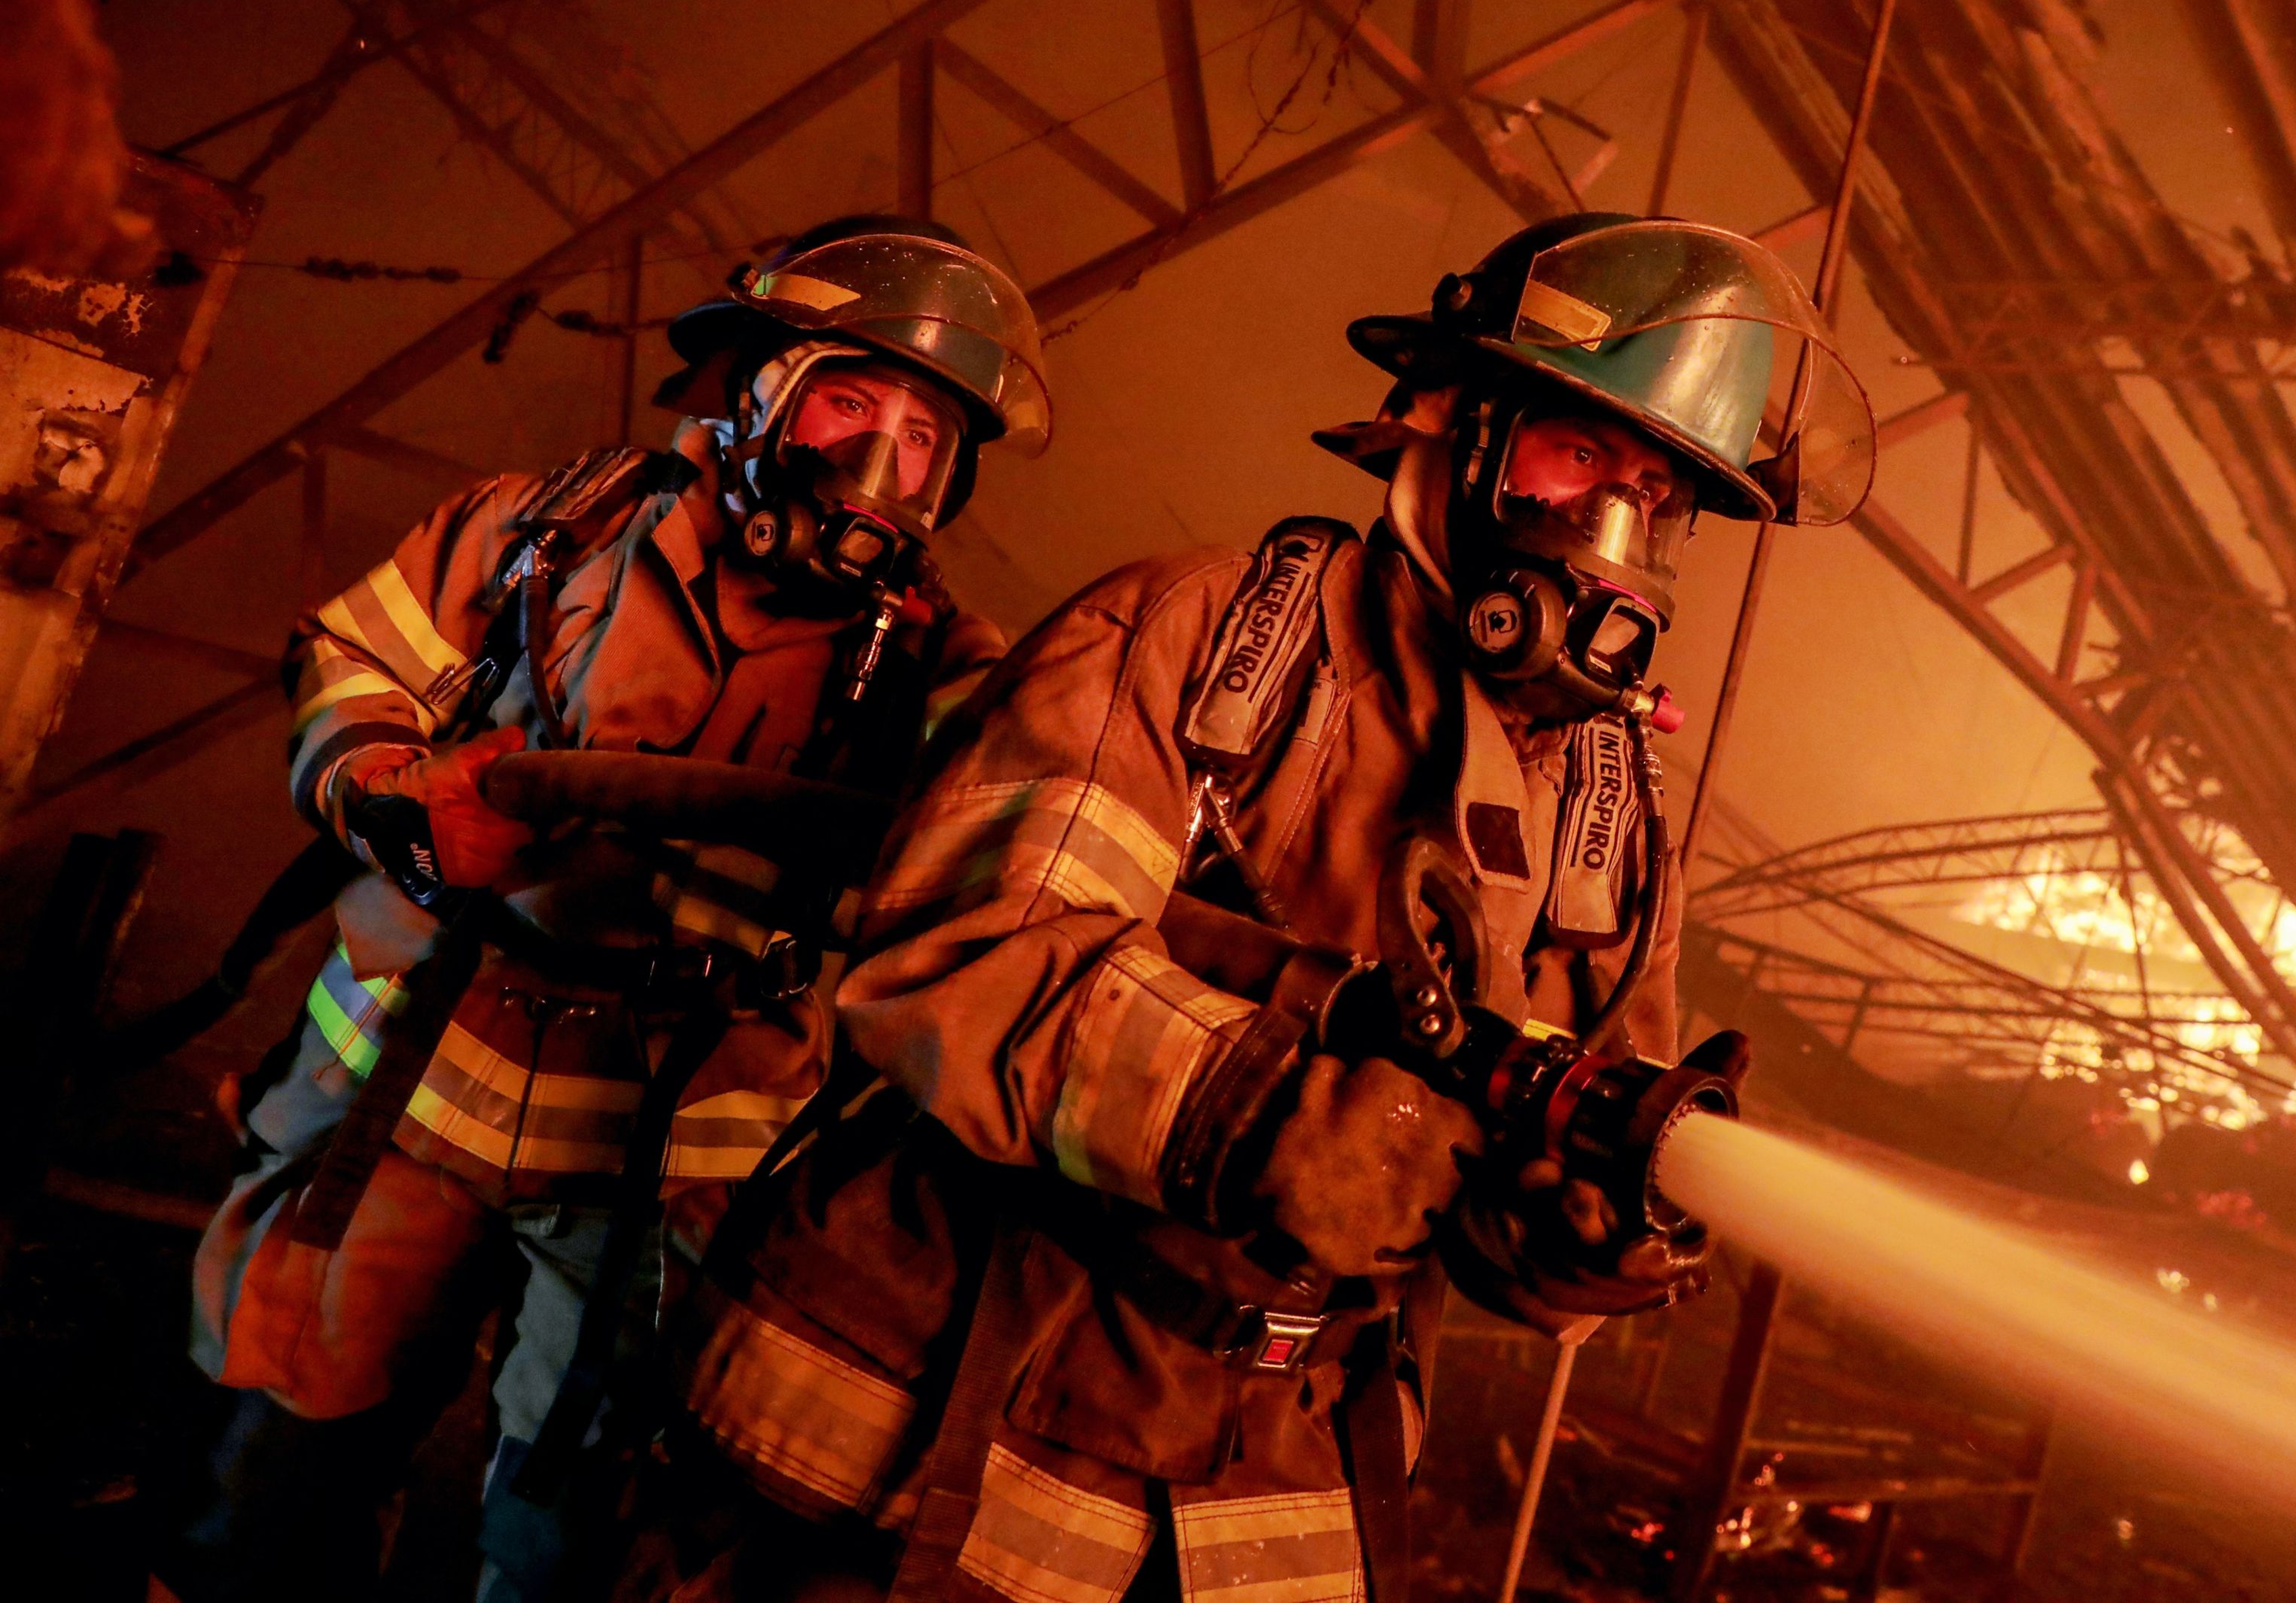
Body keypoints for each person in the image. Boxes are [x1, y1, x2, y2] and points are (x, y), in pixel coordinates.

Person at [636, 213, 1874, 1603]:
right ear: (1460, 433)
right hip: (906, 1431)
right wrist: (1265, 1113)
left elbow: (1528, 1174)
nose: (1612, 529)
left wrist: (1601, 1218)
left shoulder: (1611, 811)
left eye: (1657, 493)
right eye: (1580, 453)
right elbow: (968, 963)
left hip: (1262, 1493)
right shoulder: (1201, 639)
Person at [166, 219, 1051, 1603]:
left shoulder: (949, 668)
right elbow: (354, 661)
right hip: (420, 1059)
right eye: (850, 401)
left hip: (671, 1129)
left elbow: (1009, 843)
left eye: (929, 436)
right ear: (761, 386)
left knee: (577, 1504)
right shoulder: (552, 528)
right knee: (290, 1428)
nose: (884, 458)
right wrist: (397, 796)